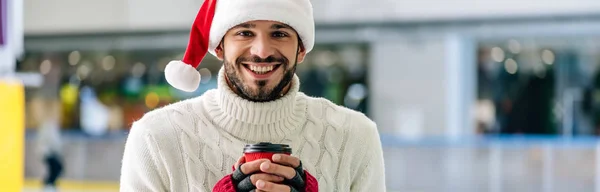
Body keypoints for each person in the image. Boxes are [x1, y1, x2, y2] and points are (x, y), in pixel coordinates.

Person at [119, 0, 386, 191]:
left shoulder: (355, 137)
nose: (261, 50)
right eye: (245, 32)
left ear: (301, 49)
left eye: (279, 33)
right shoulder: (155, 138)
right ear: (221, 46)